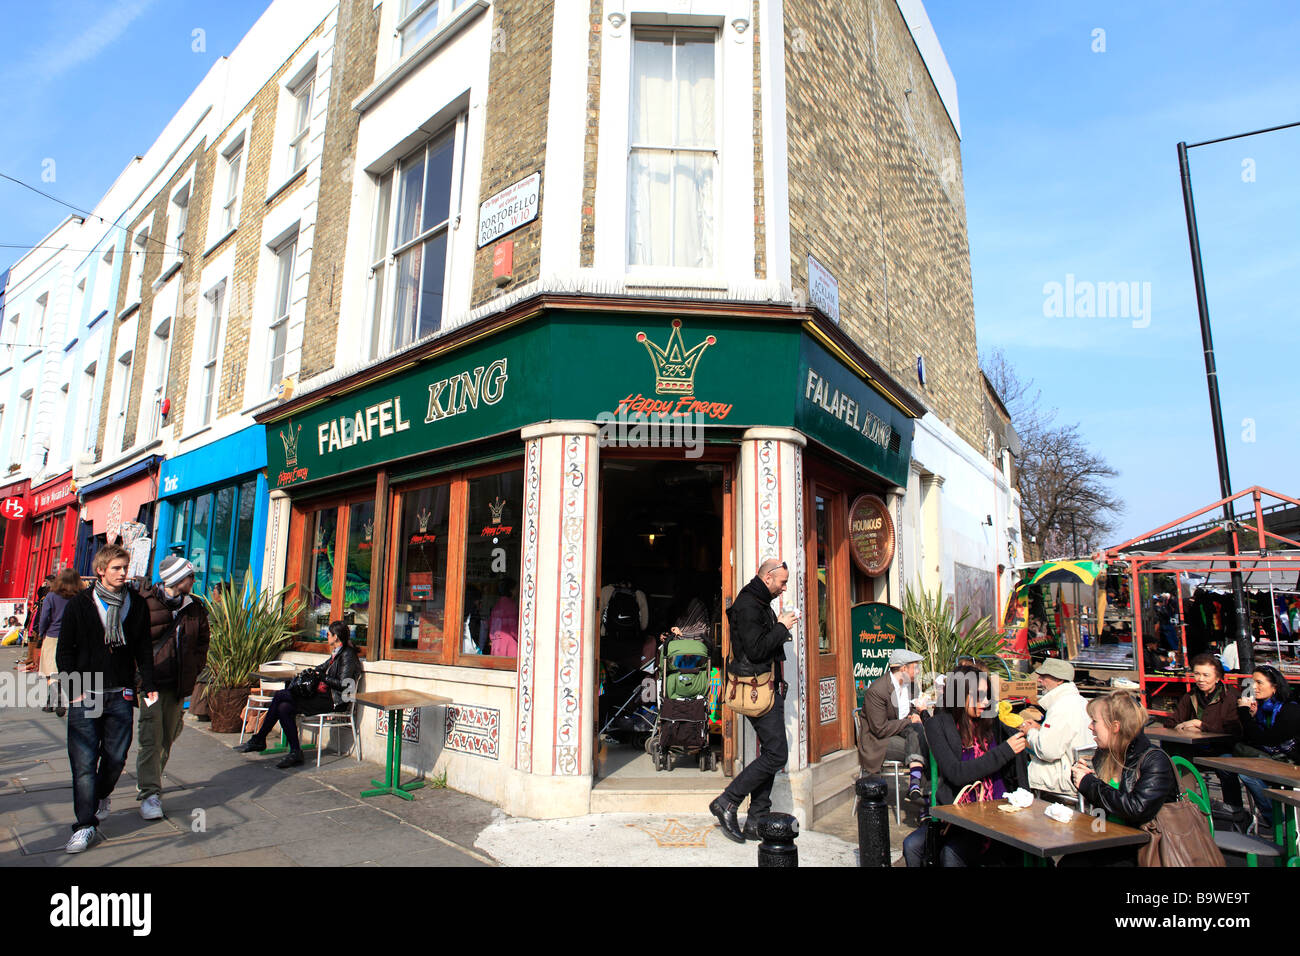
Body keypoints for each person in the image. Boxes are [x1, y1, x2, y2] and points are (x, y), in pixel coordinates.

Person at [55, 545, 156, 854]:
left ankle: (100, 795)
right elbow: (65, 651)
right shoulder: (80, 605)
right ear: (101, 570)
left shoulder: (136, 605)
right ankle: (84, 825)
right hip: (86, 692)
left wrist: (148, 684)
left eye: (125, 567)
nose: (123, 573)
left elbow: (143, 648)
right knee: (84, 763)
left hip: (120, 692)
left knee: (115, 757)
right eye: (116, 568)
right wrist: (73, 688)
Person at [902, 665, 1028, 866]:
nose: (985, 702)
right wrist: (1005, 751)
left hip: (997, 814)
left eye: (987, 695)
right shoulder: (939, 725)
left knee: (952, 854)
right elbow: (957, 773)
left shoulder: (991, 721)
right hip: (959, 814)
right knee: (912, 845)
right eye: (979, 695)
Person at [709, 558, 797, 843]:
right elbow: (757, 650)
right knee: (776, 754)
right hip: (757, 689)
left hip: (766, 687)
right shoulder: (749, 605)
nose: (784, 588)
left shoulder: (759, 602)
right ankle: (728, 801)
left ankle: (757, 818)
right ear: (768, 578)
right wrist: (782, 626)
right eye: (782, 582)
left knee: (771, 751)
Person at [135, 556, 210, 820]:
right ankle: (149, 793)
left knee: (168, 736)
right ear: (178, 579)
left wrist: (194, 667)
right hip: (151, 684)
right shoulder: (145, 604)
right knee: (150, 738)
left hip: (178, 685)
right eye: (190, 577)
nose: (193, 581)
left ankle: (149, 778)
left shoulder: (195, 607)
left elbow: (202, 643)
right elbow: (133, 642)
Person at [1071, 691, 1179, 866]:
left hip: (1145, 848)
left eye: (1095, 721)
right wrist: (1079, 776)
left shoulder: (1154, 760)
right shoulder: (1103, 755)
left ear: (1115, 726)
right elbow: (1100, 801)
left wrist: (1089, 783)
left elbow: (1137, 809)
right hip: (1107, 839)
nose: (1090, 727)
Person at [234, 620, 361, 768]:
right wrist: (312, 672)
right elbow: (321, 668)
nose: (326, 636)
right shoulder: (337, 654)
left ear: (336, 637)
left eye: (328, 634)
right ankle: (294, 752)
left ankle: (260, 739)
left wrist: (321, 676)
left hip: (335, 701)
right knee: (283, 708)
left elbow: (345, 684)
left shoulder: (348, 655)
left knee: (281, 696)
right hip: (323, 697)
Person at [1163, 653, 1243, 807]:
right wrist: (1183, 725)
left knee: (1226, 767)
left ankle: (1234, 810)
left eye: (1206, 675)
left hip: (1222, 749)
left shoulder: (1231, 697)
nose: (1200, 679)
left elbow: (1234, 730)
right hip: (1195, 748)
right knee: (1175, 758)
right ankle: (1185, 806)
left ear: (1218, 677)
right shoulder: (1191, 696)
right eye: (1197, 674)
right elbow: (1171, 722)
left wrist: (1201, 725)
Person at [1235, 664, 1300, 831]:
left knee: (1248, 773)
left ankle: (1279, 823)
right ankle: (1238, 813)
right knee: (1231, 763)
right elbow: (1251, 739)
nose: (1254, 687)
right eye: (1252, 683)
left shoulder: (1290, 709)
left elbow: (1268, 740)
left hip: (1293, 763)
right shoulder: (1263, 709)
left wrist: (1243, 713)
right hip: (1277, 760)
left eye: (1259, 683)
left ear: (1274, 687)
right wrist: (1252, 717)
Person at [859, 648, 929, 801]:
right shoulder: (878, 691)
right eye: (915, 667)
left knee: (923, 739)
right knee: (926, 749)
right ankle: (925, 798)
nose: (917, 672)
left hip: (905, 732)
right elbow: (879, 729)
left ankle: (918, 789)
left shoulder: (911, 686)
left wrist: (915, 714)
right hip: (879, 740)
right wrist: (908, 721)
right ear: (903, 668)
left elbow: (911, 709)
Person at [1020, 658, 1093, 800]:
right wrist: (1040, 729)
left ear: (1059, 680)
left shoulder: (1061, 707)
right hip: (1081, 772)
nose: (1039, 680)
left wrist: (1030, 732)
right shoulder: (1080, 701)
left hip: (1065, 778)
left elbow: (1047, 751)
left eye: (1044, 676)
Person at [37, 568, 82, 716]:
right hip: (73, 637)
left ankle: (55, 700)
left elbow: (44, 617)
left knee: (51, 672)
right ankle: (56, 701)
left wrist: (41, 632)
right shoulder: (80, 596)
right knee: (64, 669)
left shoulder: (51, 596)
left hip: (53, 636)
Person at [488, 579, 519, 658]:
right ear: (511, 590)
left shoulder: (497, 605)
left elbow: (491, 627)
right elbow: (513, 629)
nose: (518, 591)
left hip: (496, 644)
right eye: (516, 588)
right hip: (509, 645)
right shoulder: (511, 605)